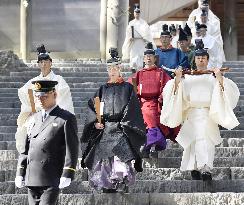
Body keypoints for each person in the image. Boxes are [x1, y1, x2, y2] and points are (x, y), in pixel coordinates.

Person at [160, 40, 240, 181]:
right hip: (192, 113)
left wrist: (220, 77)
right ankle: (194, 167)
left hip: (207, 113)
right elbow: (172, 91)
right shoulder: (187, 76)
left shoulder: (213, 77)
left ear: (207, 59)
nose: (201, 60)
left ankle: (206, 168)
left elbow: (227, 91)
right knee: (193, 141)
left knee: (206, 140)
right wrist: (178, 79)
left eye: (203, 57)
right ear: (194, 59)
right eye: (198, 58)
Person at [80, 48, 146, 193]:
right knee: (104, 156)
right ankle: (107, 184)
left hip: (122, 126)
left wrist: (125, 124)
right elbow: (94, 106)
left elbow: (133, 107)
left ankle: (120, 181)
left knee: (120, 155)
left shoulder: (128, 88)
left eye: (115, 68)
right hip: (105, 128)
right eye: (110, 68)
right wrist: (96, 121)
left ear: (120, 68)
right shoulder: (102, 89)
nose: (112, 71)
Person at [15, 80, 79, 205]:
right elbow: (26, 148)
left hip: (51, 177)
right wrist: (20, 171)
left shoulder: (65, 118)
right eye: (37, 96)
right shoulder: (34, 118)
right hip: (32, 176)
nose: (40, 99)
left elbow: (72, 148)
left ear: (54, 95)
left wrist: (68, 172)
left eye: (44, 96)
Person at [15, 44, 74, 154]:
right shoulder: (35, 80)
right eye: (41, 62)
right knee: (26, 129)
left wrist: (54, 112)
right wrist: (32, 109)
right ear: (38, 64)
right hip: (38, 114)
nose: (43, 64)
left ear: (50, 63)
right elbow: (26, 92)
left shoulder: (58, 80)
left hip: (54, 114)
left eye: (46, 61)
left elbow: (63, 98)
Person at [128, 42, 178, 157]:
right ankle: (153, 143)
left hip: (158, 103)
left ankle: (149, 144)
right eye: (147, 56)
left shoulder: (160, 73)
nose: (149, 58)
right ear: (144, 59)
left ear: (155, 58)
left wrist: (161, 98)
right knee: (147, 113)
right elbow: (130, 88)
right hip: (143, 103)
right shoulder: (138, 74)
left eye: (151, 56)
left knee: (152, 115)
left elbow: (169, 86)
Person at [122, 3, 155, 73]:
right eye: (135, 13)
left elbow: (147, 33)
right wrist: (130, 38)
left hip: (142, 42)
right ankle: (134, 69)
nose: (137, 14)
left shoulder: (144, 23)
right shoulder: (131, 23)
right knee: (134, 57)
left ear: (139, 14)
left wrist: (145, 37)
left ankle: (141, 70)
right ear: (134, 13)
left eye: (138, 13)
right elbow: (128, 33)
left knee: (142, 56)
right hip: (134, 43)